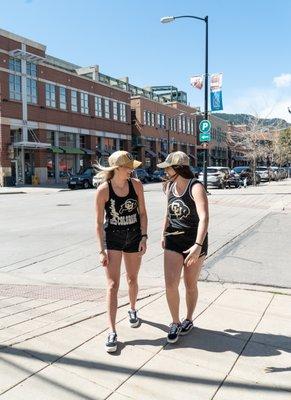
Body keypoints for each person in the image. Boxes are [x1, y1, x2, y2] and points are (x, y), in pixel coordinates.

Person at [95, 151, 148, 353]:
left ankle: (133, 309)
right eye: (128, 167)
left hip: (134, 236)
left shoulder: (136, 185)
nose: (131, 170)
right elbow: (99, 224)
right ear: (117, 169)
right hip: (113, 238)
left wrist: (144, 237)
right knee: (112, 285)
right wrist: (101, 250)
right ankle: (112, 330)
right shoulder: (103, 190)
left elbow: (142, 213)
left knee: (132, 279)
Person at [157, 151, 209, 344]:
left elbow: (204, 217)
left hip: (193, 241)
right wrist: (164, 234)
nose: (166, 171)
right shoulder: (169, 186)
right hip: (173, 240)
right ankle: (175, 322)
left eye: (168, 168)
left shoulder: (195, 187)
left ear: (177, 169)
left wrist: (197, 245)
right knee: (170, 284)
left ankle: (188, 318)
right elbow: (168, 213)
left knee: (190, 285)